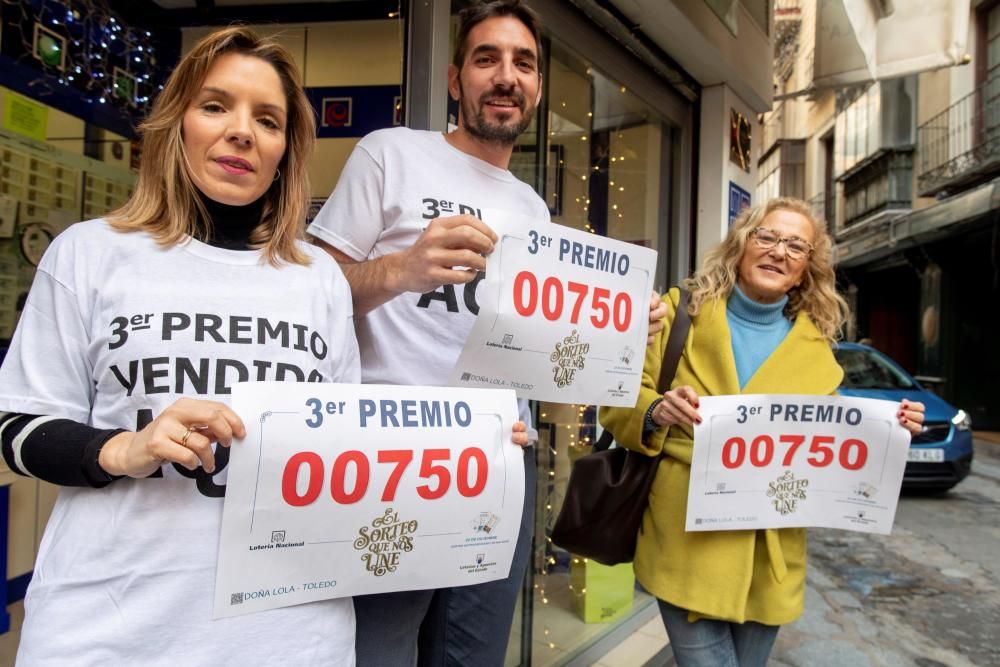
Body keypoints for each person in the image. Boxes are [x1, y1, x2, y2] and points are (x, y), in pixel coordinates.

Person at [307, 2, 664, 664]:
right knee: (378, 650)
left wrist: (615, 328)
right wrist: (400, 268)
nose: (506, 76)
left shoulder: (531, 206)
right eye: (487, 59)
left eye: (523, 63)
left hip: (501, 455)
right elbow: (311, 289)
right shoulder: (391, 153)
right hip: (396, 455)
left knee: (473, 654)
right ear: (454, 79)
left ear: (533, 88)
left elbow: (541, 347)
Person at [0, 27, 362, 664]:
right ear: (175, 124)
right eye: (216, 106)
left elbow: (346, 452)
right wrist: (119, 449)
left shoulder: (318, 279)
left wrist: (475, 448)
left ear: (286, 150)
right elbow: (12, 426)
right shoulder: (89, 254)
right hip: (109, 630)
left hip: (290, 634)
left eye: (268, 119)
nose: (243, 131)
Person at [599, 196, 926, 667]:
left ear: (806, 270)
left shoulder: (818, 353)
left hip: (769, 554)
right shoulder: (678, 314)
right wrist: (657, 411)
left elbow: (832, 447)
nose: (779, 251)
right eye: (767, 236)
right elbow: (617, 399)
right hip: (685, 539)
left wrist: (893, 430)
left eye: (796, 245)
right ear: (741, 244)